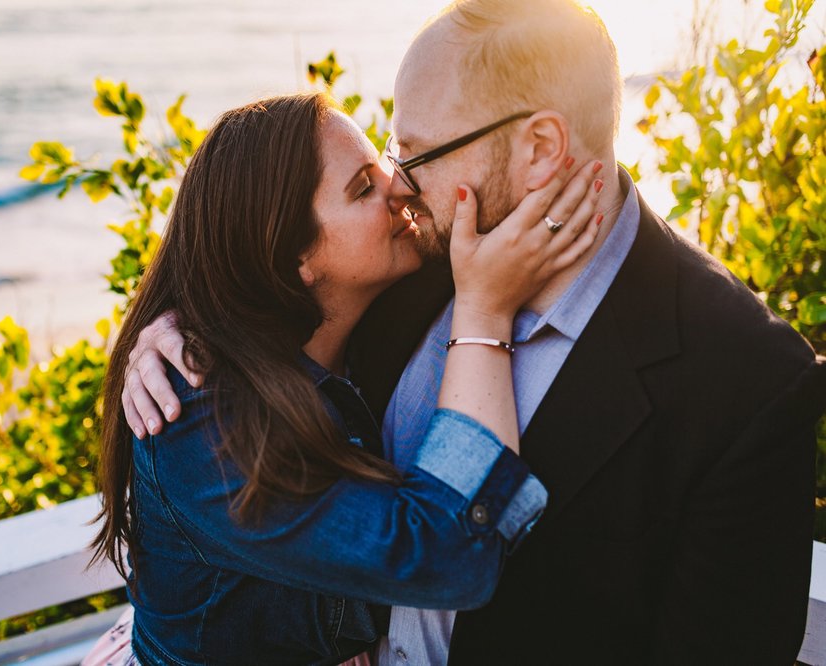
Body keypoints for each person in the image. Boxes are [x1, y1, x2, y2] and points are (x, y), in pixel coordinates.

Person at [123, 1, 826, 664]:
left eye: (419, 153)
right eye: (378, 172)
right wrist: (187, 324)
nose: (401, 185)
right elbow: (267, 278)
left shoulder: (745, 379)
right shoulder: (403, 263)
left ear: (541, 148)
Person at [86, 91, 605, 666]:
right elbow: (443, 555)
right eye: (364, 188)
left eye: (383, 160)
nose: (402, 186)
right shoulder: (198, 415)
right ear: (292, 259)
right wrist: (485, 312)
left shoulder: (370, 302)